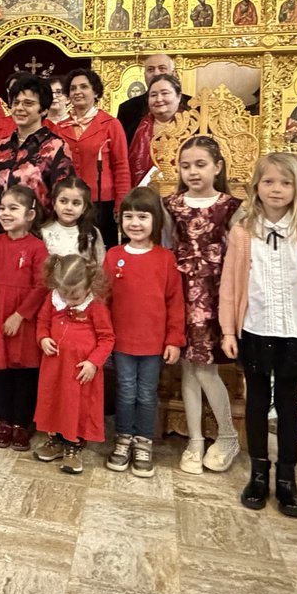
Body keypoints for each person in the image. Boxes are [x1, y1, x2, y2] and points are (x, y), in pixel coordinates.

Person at [219, 153, 297, 517]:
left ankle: (287, 478)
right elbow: (230, 285)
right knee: (256, 401)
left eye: (285, 183)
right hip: (255, 327)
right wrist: (227, 330)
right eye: (269, 182)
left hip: (295, 331)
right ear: (256, 186)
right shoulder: (243, 232)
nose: (277, 189)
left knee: (287, 405)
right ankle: (258, 472)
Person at [164, 136, 242, 474]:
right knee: (188, 366)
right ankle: (195, 440)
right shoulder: (172, 205)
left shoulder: (232, 206)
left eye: (200, 164)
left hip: (215, 295)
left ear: (217, 167)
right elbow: (167, 248)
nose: (193, 172)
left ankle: (227, 435)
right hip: (181, 293)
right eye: (186, 166)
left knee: (205, 368)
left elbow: (240, 257)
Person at [103, 187, 184, 478]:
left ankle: (144, 442)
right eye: (129, 216)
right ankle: (123, 439)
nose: (135, 223)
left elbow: (175, 303)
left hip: (154, 343)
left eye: (142, 216)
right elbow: (103, 300)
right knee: (125, 392)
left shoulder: (165, 259)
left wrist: (174, 339)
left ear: (155, 221)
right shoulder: (113, 256)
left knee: (147, 394)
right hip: (122, 341)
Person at [0, 185, 49, 452]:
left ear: (30, 214)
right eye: (2, 208)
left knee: (24, 372)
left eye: (13, 208)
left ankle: (22, 423)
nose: (5, 213)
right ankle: (4, 421)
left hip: (23, 318)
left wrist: (20, 315)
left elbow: (42, 285)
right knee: (1, 370)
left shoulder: (37, 248)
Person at [31, 254, 115, 475]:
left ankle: (73, 446)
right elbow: (42, 322)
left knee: (75, 407)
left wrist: (93, 363)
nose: (68, 302)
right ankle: (56, 440)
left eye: (75, 298)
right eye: (64, 295)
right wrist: (43, 338)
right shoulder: (52, 298)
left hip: (80, 371)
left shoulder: (95, 306)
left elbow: (107, 338)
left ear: (89, 287)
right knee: (54, 402)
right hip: (54, 367)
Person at [0, 74, 75, 225]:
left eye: (28, 103)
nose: (19, 108)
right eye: (16, 102)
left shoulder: (56, 147)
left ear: (44, 110)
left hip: (37, 233)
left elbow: (64, 196)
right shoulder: (0, 147)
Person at [59, 68, 130, 245]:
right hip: (68, 202)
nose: (78, 92)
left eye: (84, 87)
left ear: (95, 92)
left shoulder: (111, 124)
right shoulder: (59, 127)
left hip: (102, 203)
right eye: (73, 88)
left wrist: (121, 203)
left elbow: (121, 166)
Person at [116, 53, 192, 145]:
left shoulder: (192, 105)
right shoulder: (128, 108)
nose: (156, 73)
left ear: (174, 73)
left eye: (162, 68)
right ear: (144, 75)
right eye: (150, 69)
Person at [128, 73, 188, 186]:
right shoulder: (134, 127)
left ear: (179, 96)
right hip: (144, 195)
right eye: (153, 95)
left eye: (165, 93)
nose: (159, 99)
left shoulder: (192, 126)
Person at [41, 176, 105, 265]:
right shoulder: (43, 232)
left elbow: (100, 265)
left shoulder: (92, 233)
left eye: (76, 203)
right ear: (54, 203)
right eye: (63, 201)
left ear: (84, 208)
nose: (69, 208)